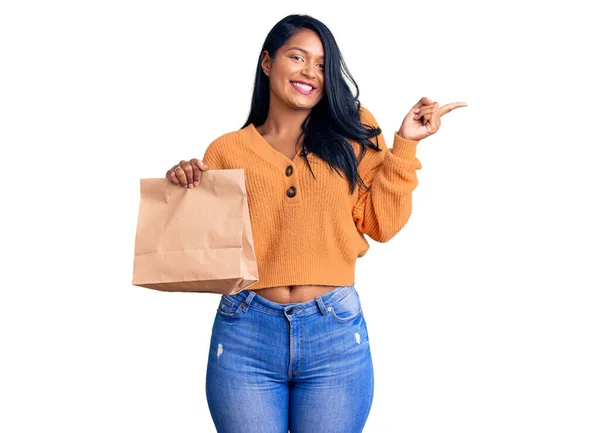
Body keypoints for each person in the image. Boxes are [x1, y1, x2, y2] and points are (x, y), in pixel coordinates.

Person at [166, 14, 466, 433]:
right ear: (267, 62)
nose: (311, 72)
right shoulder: (225, 151)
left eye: (323, 64)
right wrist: (187, 186)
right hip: (245, 333)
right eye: (298, 57)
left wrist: (405, 147)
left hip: (334, 333)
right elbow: (208, 253)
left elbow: (382, 224)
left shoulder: (355, 129)